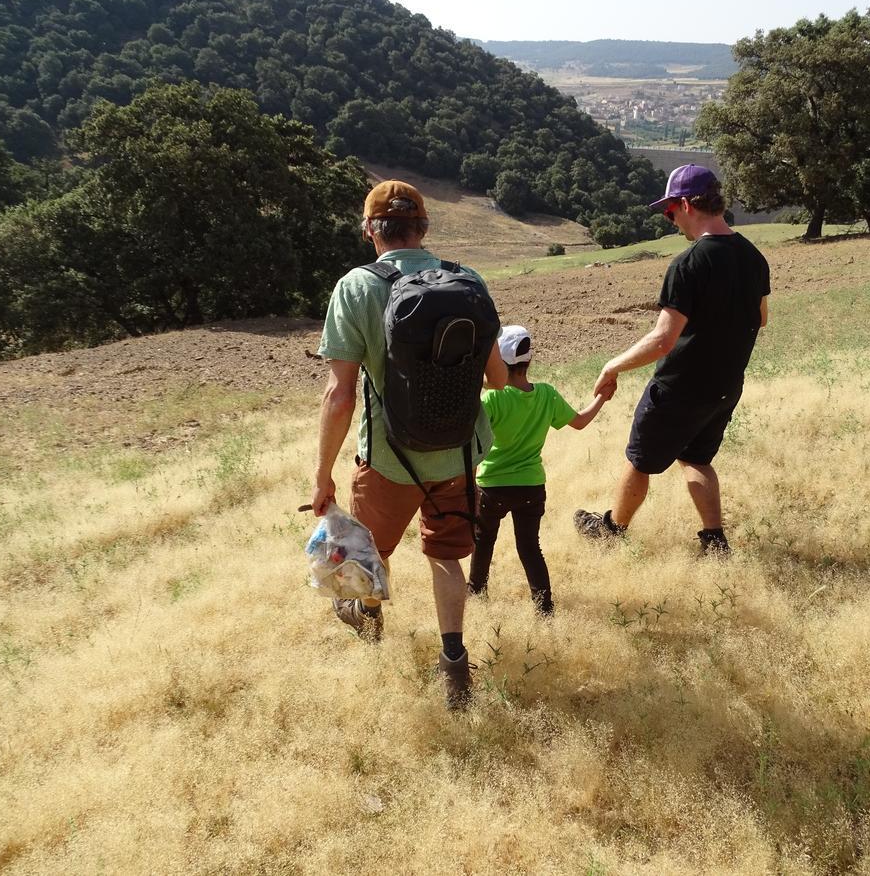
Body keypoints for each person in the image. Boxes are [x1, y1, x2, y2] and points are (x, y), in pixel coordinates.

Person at [311, 179, 507, 709]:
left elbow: (339, 396)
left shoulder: (355, 287)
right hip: (461, 456)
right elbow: (498, 380)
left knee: (371, 551)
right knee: (446, 558)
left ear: (370, 229)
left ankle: (368, 615)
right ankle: (454, 664)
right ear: (423, 227)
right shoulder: (468, 280)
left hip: (389, 461)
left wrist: (323, 474)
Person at [574, 165, 770, 555]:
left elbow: (663, 339)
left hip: (679, 387)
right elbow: (761, 318)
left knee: (639, 460)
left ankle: (612, 531)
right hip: (725, 386)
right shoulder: (753, 256)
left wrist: (612, 365)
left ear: (685, 204)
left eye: (670, 211)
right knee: (697, 458)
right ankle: (715, 541)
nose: (672, 219)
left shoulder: (689, 264)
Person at [468, 326, 607, 615]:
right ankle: (544, 607)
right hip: (531, 487)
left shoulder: (492, 400)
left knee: (483, 544)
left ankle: (477, 593)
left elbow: (471, 445)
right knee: (530, 548)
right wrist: (602, 398)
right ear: (528, 362)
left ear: (498, 363)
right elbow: (580, 422)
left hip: (492, 487)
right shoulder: (546, 395)